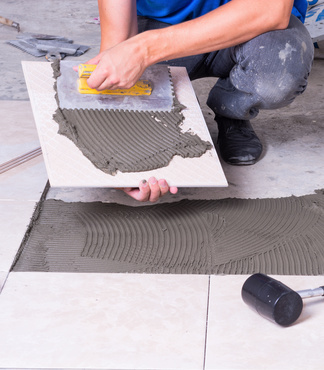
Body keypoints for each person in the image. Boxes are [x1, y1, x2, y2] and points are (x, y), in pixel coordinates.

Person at [85, 0, 314, 202]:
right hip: (159, 24)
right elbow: (118, 43)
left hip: (250, 27)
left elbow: (270, 8)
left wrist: (144, 50)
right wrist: (118, 154)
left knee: (279, 69)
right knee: (140, 89)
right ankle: (165, 125)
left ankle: (231, 112)